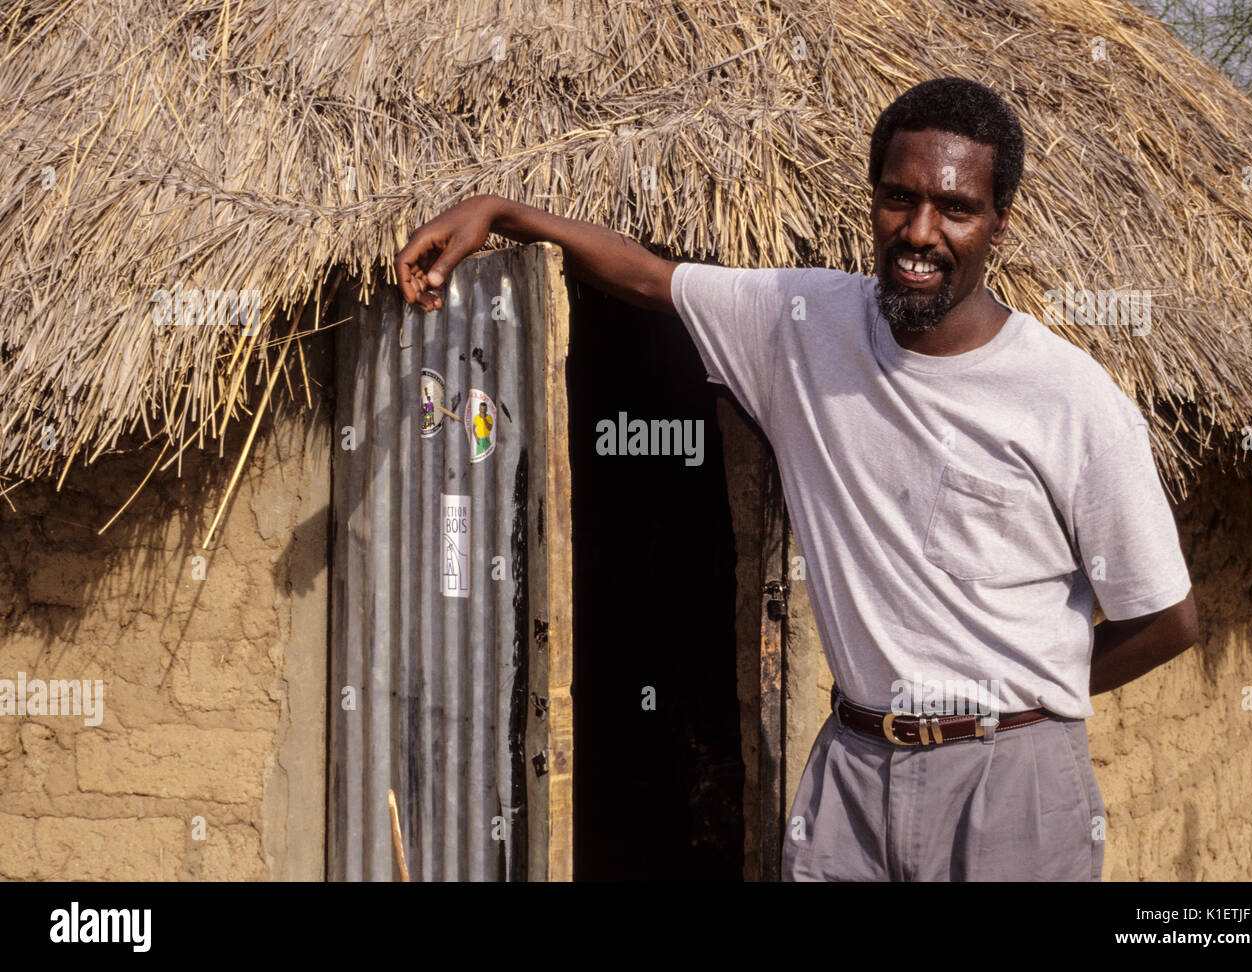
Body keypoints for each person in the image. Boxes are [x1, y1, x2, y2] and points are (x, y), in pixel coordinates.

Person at [395, 77, 1199, 882]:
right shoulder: (803, 320)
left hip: (1010, 785)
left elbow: (1166, 618)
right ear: (874, 199)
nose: (921, 232)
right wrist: (507, 213)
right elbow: (650, 278)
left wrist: (1026, 700)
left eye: (956, 208)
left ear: (999, 223)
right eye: (899, 198)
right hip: (852, 770)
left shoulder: (1070, 399)